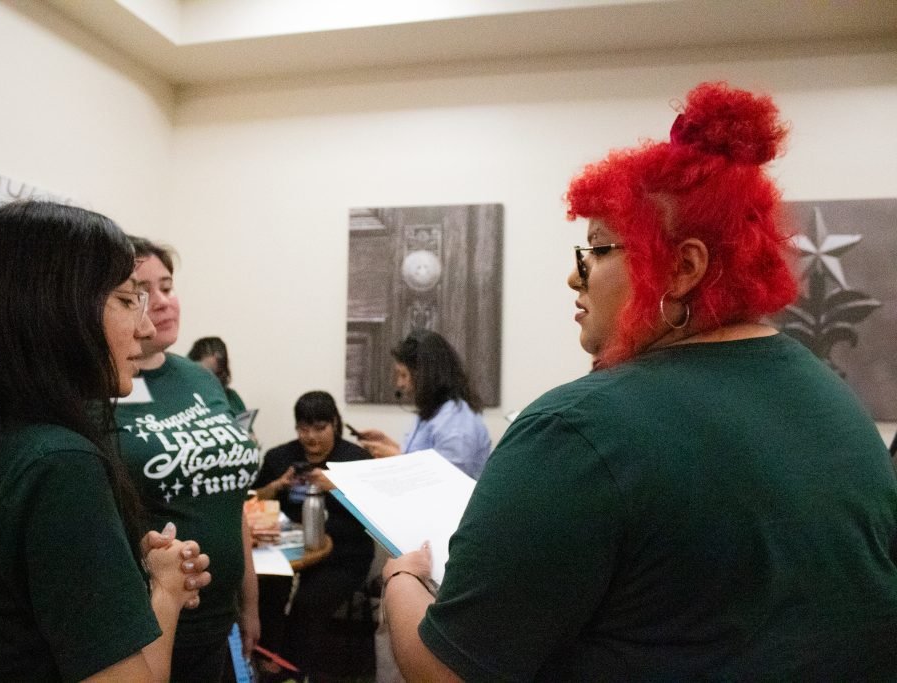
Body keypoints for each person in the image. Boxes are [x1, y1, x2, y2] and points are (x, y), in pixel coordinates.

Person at [380, 82, 897, 680]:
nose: (575, 278)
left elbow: (448, 673)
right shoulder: (833, 401)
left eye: (597, 249)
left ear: (682, 269)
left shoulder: (576, 430)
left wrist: (401, 577)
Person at [0, 201, 211, 681]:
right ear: (56, 311)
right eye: (124, 299)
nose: (146, 327)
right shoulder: (60, 464)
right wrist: (167, 588)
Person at [114, 236, 261, 682]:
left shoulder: (200, 378)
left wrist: (250, 604)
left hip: (220, 621)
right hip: (151, 622)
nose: (161, 303)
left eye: (167, 286)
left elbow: (229, 498)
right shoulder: (103, 386)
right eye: (140, 292)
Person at [252, 391, 375, 678]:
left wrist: (337, 486)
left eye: (320, 428)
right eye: (303, 428)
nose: (311, 437)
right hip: (285, 551)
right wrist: (278, 486)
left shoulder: (356, 460)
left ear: (335, 425)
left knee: (308, 604)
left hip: (345, 555)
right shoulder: (280, 457)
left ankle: (292, 670)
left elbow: (371, 517)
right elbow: (253, 500)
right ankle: (265, 659)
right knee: (267, 588)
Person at [358, 330, 491, 479]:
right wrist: (388, 444)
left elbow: (450, 479)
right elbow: (421, 458)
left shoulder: (456, 421)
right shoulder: (433, 412)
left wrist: (394, 458)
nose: (399, 384)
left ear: (425, 376)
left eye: (404, 375)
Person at [188, 336, 246, 416]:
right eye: (205, 374)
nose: (212, 380)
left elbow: (246, 426)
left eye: (218, 374)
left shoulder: (232, 398)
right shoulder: (184, 401)